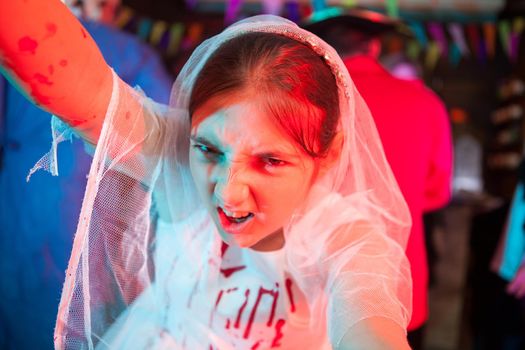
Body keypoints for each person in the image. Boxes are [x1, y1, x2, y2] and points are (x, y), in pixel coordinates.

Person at [0, 1, 413, 348]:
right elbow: (76, 83)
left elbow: (370, 318)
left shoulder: (345, 237)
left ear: (329, 154)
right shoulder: (172, 155)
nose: (228, 195)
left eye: (270, 161)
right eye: (208, 149)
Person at [0, 0, 172, 348]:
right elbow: (165, 163)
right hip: (87, 224)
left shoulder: (19, 47)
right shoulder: (133, 54)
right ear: (108, 6)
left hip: (18, 216)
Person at [302, 8, 453, 349]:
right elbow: (438, 193)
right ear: (374, 48)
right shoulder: (426, 102)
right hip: (398, 280)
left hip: (312, 282)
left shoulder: (300, 98)